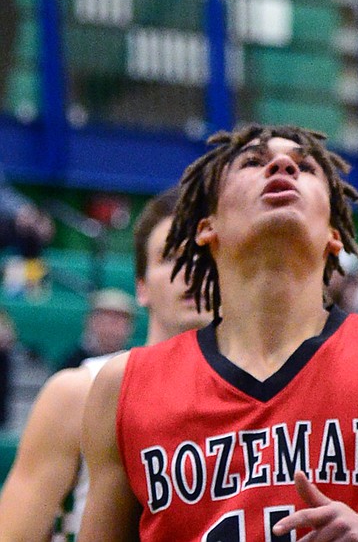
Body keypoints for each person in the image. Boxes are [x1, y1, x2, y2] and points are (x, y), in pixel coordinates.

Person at [78, 124, 358, 542]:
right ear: (207, 227)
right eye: (252, 162)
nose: (282, 165)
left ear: (334, 236)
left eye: (304, 166)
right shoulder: (123, 388)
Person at [0, 187, 205, 542]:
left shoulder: (263, 396)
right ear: (141, 286)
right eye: (171, 257)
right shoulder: (79, 390)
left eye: (206, 257)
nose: (191, 271)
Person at [57, 287, 136, 369]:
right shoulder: (72, 361)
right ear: (91, 320)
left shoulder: (133, 361)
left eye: (120, 319)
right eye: (107, 317)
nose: (113, 325)